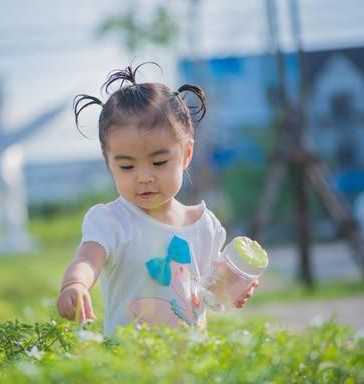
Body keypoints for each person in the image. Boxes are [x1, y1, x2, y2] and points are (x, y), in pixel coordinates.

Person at [56, 63, 258, 334]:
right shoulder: (110, 221)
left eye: (159, 162)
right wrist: (75, 284)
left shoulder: (205, 225)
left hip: (190, 358)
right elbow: (87, 260)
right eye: (127, 166)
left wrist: (232, 287)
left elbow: (210, 286)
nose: (144, 177)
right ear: (109, 164)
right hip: (128, 360)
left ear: (186, 155)